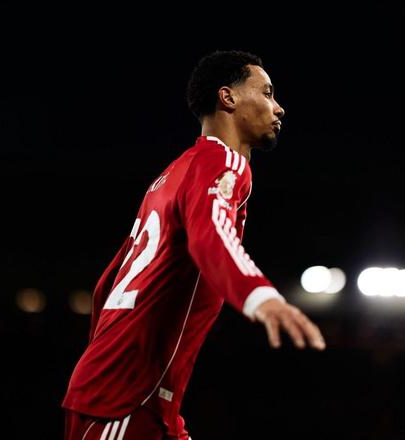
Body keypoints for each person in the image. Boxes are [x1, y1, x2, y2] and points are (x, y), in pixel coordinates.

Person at [62, 50, 326, 440]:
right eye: (268, 93)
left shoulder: (171, 174)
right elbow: (211, 233)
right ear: (228, 98)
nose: (279, 107)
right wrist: (259, 296)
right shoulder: (224, 163)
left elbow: (109, 282)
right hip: (127, 396)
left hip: (131, 391)